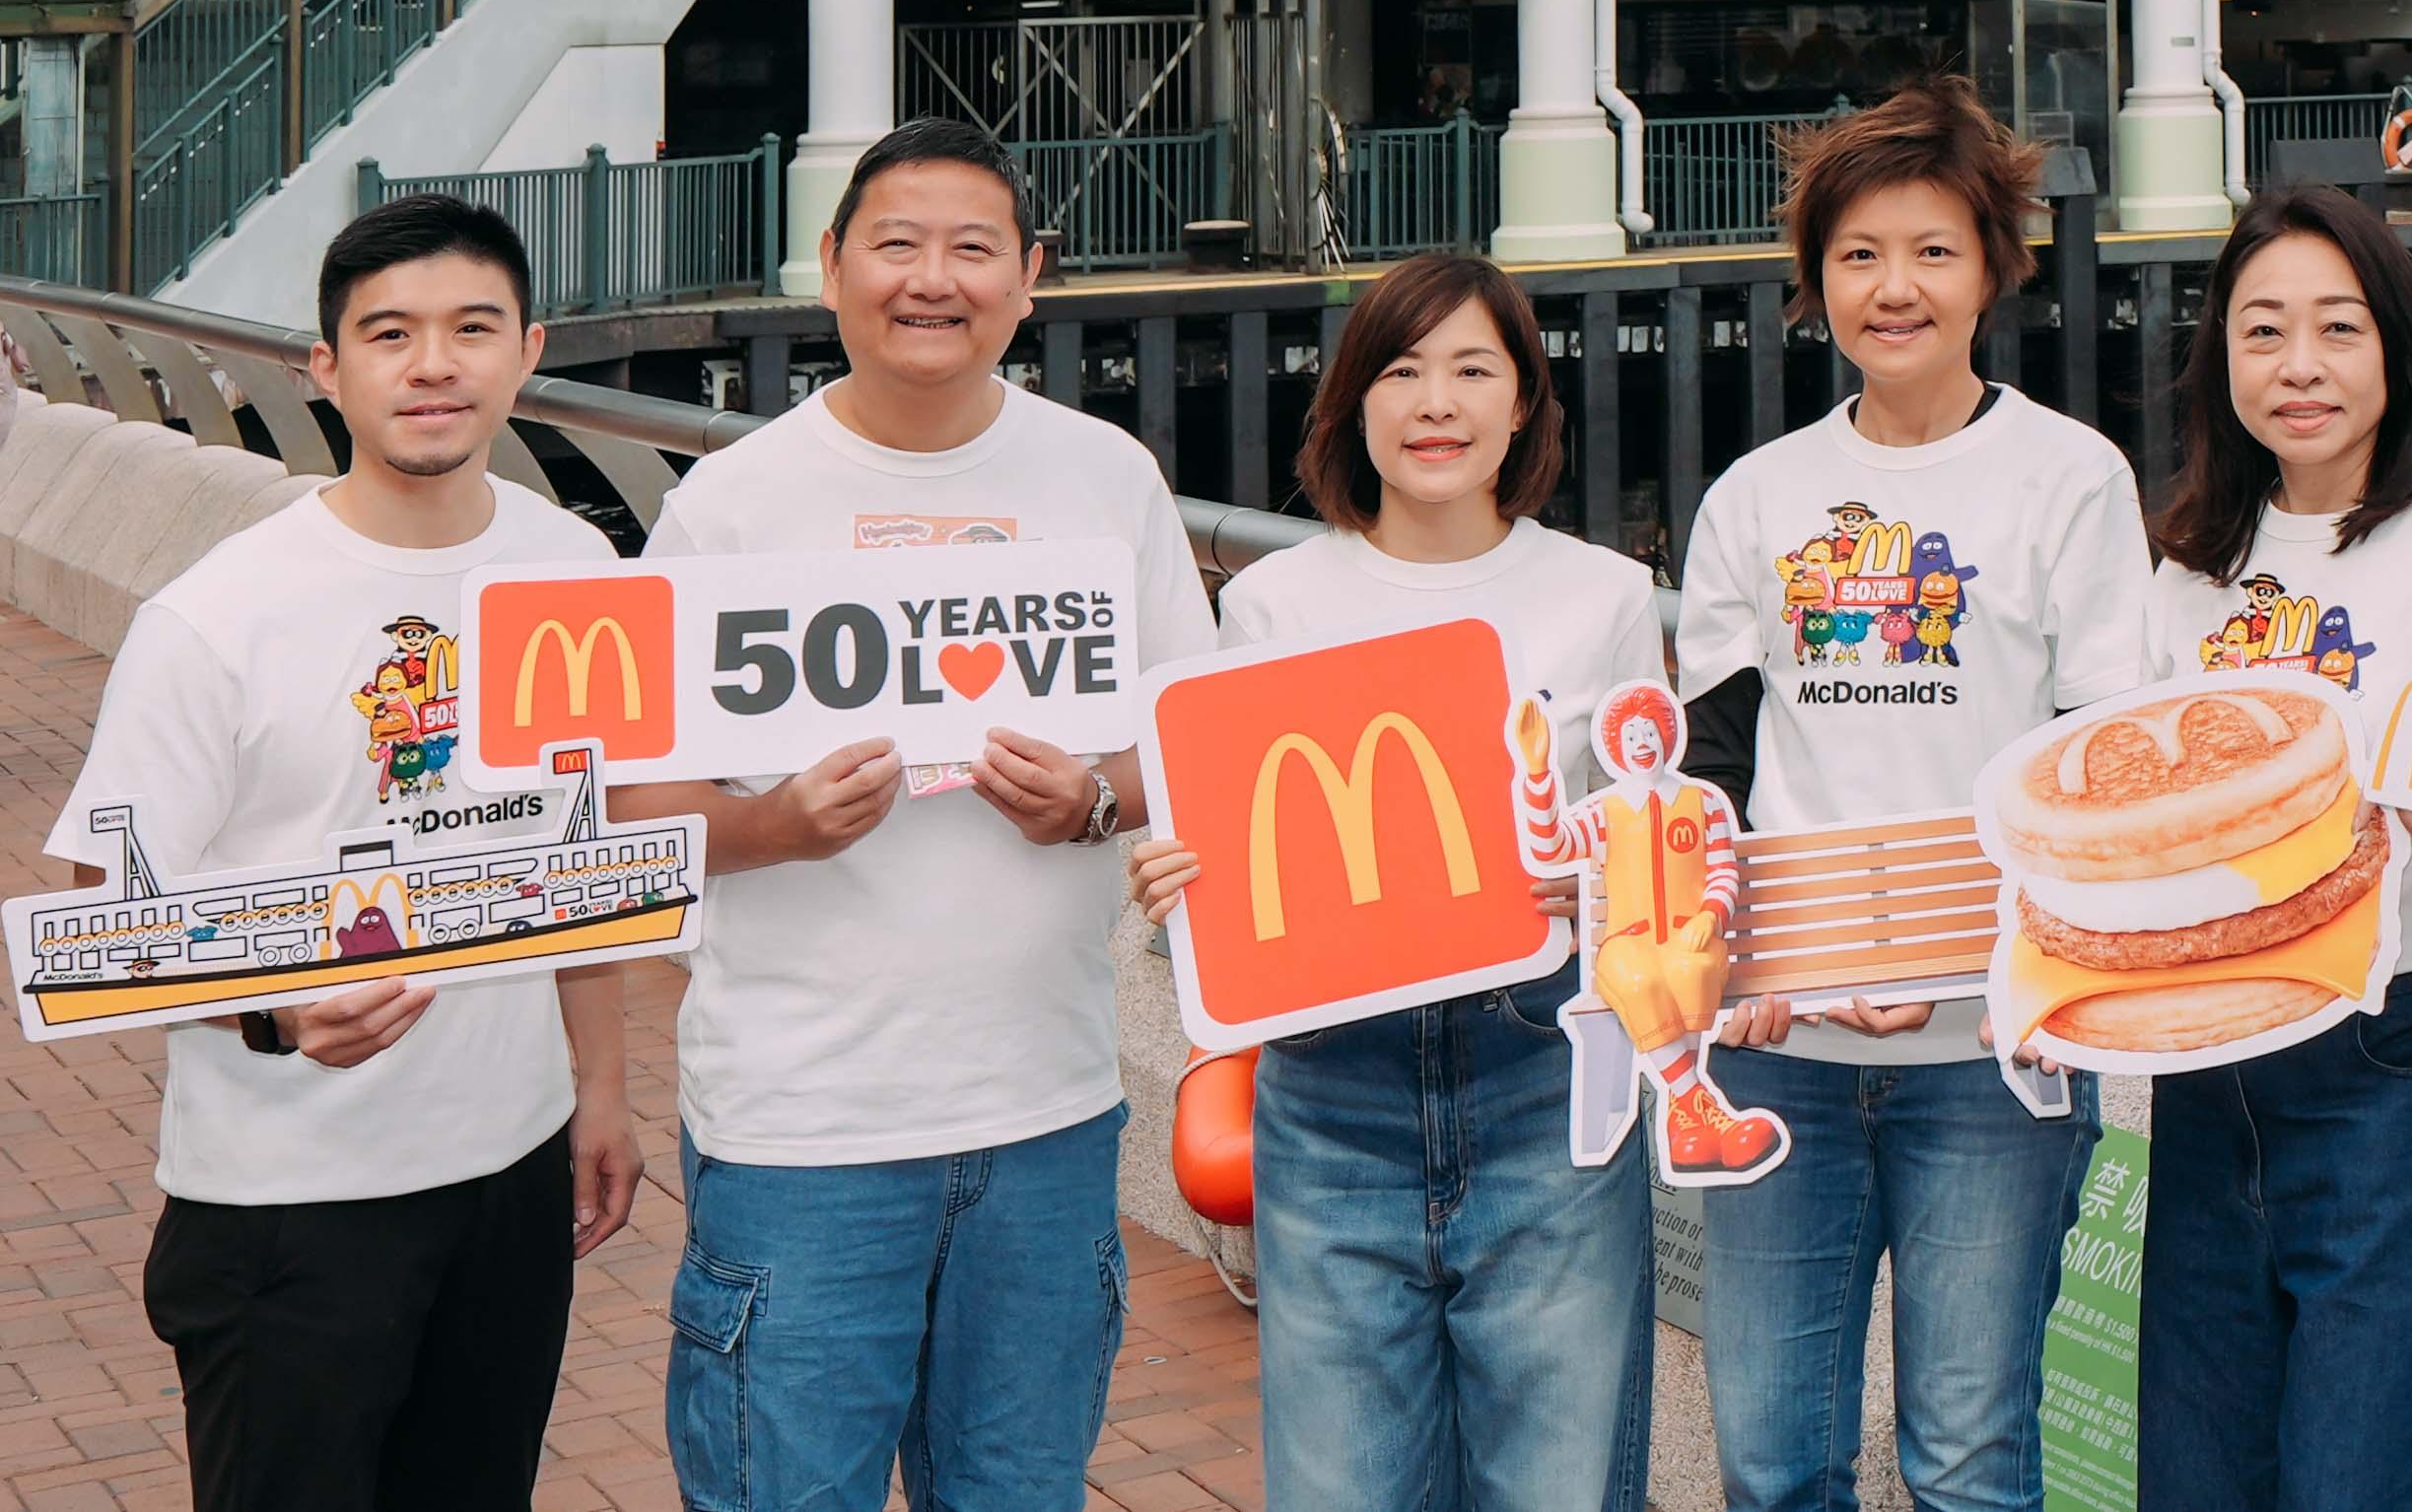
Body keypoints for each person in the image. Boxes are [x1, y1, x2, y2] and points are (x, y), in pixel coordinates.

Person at [612, 118, 1214, 1512]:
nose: (929, 277)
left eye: (970, 247)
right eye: (894, 242)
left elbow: (1193, 742)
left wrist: (1095, 799)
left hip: (1050, 1117)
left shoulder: (1102, 474)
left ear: (1028, 274)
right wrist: (780, 827)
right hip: (802, 1125)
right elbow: (633, 810)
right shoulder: (731, 505)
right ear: (830, 267)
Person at [43, 196, 644, 1512]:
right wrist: (271, 999)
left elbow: (578, 847)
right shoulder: (220, 612)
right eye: (391, 332)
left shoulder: (578, 566)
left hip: (509, 1167)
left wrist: (600, 1083)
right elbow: (101, 911)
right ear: (328, 366)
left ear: (526, 348)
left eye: (471, 326)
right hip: (287, 1199)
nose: (435, 362)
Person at [1677, 78, 2159, 1512]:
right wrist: (1731, 961)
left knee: (1969, 1457)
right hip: (1777, 1057)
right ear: (1815, 281)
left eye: (1934, 248)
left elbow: (2101, 769)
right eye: (1861, 253)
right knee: (1771, 1460)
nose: (1897, 286)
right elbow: (1712, 764)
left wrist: (1973, 956)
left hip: (1990, 1059)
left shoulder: (2071, 478)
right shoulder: (1756, 496)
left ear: (1993, 267)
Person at [1129, 252, 1666, 1512]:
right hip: (1329, 1090)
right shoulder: (1270, 603)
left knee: (1559, 1484)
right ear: (1353, 401)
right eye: (1402, 369)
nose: (1438, 402)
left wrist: (1606, 882)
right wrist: (1178, 874)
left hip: (1547, 1079)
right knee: (1342, 1485)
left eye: (1474, 369)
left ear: (1524, 401)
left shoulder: (1605, 595)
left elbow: (1650, 836)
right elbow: (1243, 837)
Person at [2137, 185, 2412, 1512]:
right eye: (2263, 329)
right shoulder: (2193, 558)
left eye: (2338, 327)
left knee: (2377, 1469)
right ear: (2219, 357)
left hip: (2401, 1045)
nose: (2299, 366)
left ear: (2398, 345)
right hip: (2211, 1047)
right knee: (2199, 1465)